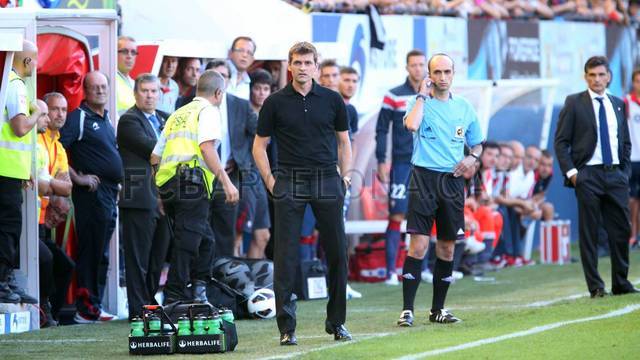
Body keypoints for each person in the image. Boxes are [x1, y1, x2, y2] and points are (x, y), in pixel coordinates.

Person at [253, 41, 353, 345]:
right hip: (290, 181)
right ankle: (287, 328)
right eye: (297, 62)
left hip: (327, 179)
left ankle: (337, 323)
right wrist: (271, 180)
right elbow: (259, 146)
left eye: (308, 63)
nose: (303, 68)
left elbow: (344, 142)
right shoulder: (275, 102)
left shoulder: (333, 100)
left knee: (337, 253)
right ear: (290, 66)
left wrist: (345, 178)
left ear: (316, 67)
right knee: (285, 255)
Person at [399, 53, 484, 326]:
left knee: (447, 249)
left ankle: (438, 309)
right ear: (429, 75)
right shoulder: (417, 103)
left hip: (452, 181)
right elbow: (411, 125)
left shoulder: (464, 107)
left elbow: (478, 144)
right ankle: (407, 310)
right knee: (419, 246)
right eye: (437, 72)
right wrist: (422, 96)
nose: (443, 77)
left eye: (447, 72)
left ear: (453, 74)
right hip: (423, 178)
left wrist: (472, 158)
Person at [152, 70, 239, 304]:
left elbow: (154, 156)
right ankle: (174, 297)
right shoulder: (208, 111)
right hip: (192, 184)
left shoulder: (178, 114)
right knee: (188, 243)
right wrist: (227, 182)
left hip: (170, 186)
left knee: (205, 240)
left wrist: (160, 193)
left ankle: (199, 291)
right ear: (219, 93)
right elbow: (207, 148)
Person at [555, 56, 638, 297]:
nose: (597, 79)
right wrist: (573, 174)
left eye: (601, 75)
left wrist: (624, 172)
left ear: (609, 76)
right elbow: (561, 143)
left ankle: (621, 283)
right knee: (590, 233)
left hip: (615, 176)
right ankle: (596, 286)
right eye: (592, 75)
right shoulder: (573, 103)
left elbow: (624, 141)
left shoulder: (617, 103)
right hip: (587, 176)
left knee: (621, 230)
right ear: (585, 77)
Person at [60, 71, 123, 323]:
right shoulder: (78, 118)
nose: (100, 91)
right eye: (94, 87)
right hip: (91, 195)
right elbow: (59, 147)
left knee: (101, 253)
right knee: (90, 251)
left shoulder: (107, 120)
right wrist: (77, 178)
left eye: (103, 86)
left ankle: (95, 305)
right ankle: (85, 308)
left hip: (109, 193)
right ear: (85, 91)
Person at [117, 74, 171, 320]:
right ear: (136, 94)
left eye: (153, 91)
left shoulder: (164, 118)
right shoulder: (129, 120)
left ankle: (150, 305)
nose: (150, 95)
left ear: (159, 93)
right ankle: (138, 310)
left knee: (157, 258)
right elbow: (155, 148)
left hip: (163, 199)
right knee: (138, 259)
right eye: (145, 91)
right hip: (139, 197)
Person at [376, 49, 427, 286]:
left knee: (425, 215)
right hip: (401, 163)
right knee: (397, 215)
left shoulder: (434, 95)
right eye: (413, 65)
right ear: (407, 68)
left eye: (421, 65)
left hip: (427, 164)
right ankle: (389, 271)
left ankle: (423, 268)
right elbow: (382, 129)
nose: (418, 69)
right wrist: (381, 159)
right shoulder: (393, 95)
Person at [0, 40, 42, 304]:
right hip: (6, 169)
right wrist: (38, 112)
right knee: (9, 227)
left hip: (11, 169)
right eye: (34, 60)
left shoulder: (10, 83)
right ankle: (3, 281)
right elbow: (20, 127)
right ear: (26, 61)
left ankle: (7, 280)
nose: (35, 65)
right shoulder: (17, 86)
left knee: (8, 226)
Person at [204, 60, 258, 258]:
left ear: (229, 80)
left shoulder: (241, 105)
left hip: (230, 176)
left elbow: (260, 134)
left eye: (223, 76)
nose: (219, 81)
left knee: (226, 233)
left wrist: (243, 158)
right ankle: (198, 282)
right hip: (199, 177)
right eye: (214, 75)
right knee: (198, 232)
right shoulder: (189, 104)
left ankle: (223, 283)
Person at [36, 96, 74, 326]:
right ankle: (43, 309)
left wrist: (49, 182)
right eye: (54, 109)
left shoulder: (58, 146)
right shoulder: (37, 140)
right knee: (47, 259)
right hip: (29, 218)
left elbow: (67, 188)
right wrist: (52, 183)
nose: (59, 114)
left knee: (66, 265)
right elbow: (45, 185)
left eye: (64, 110)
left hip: (41, 222)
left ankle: (52, 314)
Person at [625, 69, 640, 246]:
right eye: (637, 81)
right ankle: (632, 236)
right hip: (632, 159)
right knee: (632, 201)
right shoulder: (627, 102)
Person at [116, 36, 137, 117]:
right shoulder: (109, 81)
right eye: (125, 51)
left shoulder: (134, 83)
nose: (129, 56)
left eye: (133, 52)